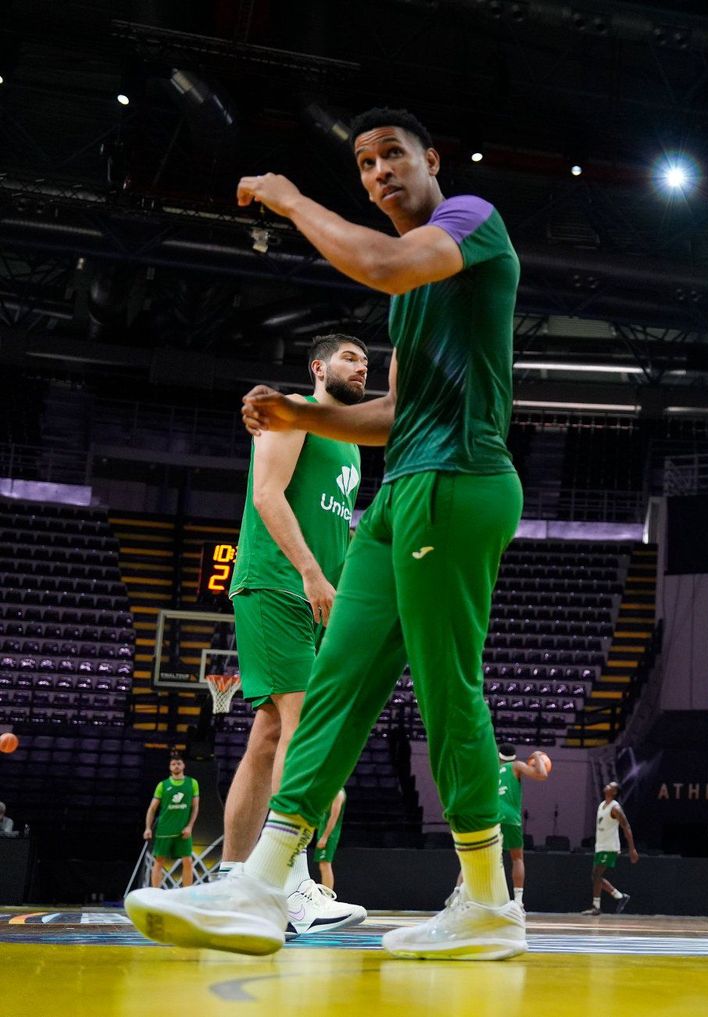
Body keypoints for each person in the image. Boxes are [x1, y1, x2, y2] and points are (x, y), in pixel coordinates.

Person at [126, 107, 527, 961]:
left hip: (458, 482)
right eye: (365, 163)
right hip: (403, 491)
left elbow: (379, 263)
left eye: (392, 155)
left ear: (432, 159)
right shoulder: (415, 302)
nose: (379, 172)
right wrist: (298, 413)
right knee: (336, 682)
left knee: (448, 690)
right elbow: (395, 414)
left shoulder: (471, 222)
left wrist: (290, 199)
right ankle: (263, 881)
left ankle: (490, 900)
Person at [215, 332, 368, 939]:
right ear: (318, 368)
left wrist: (342, 590)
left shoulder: (351, 445)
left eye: (366, 361)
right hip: (276, 582)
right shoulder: (290, 413)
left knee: (269, 734)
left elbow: (337, 530)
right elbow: (267, 495)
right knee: (302, 724)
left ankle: (234, 877)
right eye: (350, 358)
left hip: (315, 596)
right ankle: (291, 880)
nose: (361, 367)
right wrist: (308, 571)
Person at [496, 747, 550, 905]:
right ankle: (518, 902)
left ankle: (463, 894)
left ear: (499, 756)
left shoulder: (492, 769)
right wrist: (537, 756)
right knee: (517, 859)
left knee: (486, 859)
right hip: (511, 818)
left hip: (492, 817)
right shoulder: (516, 765)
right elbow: (542, 775)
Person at [582, 781, 638, 915]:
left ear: (614, 792)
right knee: (595, 876)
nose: (606, 786)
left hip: (610, 847)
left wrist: (632, 849)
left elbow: (626, 826)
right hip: (600, 846)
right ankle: (614, 898)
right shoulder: (602, 805)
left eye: (610, 786)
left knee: (596, 875)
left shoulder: (615, 808)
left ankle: (605, 903)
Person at [145, 754, 199, 888]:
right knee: (159, 861)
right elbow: (152, 808)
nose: (176, 766)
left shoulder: (192, 783)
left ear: (183, 765)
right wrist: (148, 828)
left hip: (183, 831)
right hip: (165, 830)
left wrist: (190, 826)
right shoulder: (162, 785)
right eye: (173, 764)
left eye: (179, 763)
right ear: (170, 767)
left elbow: (195, 807)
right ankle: (155, 893)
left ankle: (187, 892)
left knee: (188, 861)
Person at [313, 788, 347, 892]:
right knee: (322, 865)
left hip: (330, 833)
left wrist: (325, 837)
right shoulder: (331, 790)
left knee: (325, 864)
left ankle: (327, 897)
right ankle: (326, 895)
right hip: (323, 830)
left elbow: (334, 817)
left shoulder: (338, 793)